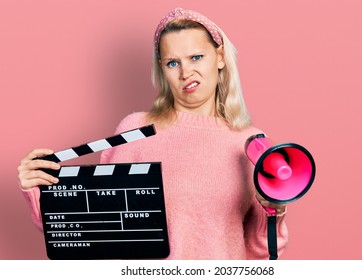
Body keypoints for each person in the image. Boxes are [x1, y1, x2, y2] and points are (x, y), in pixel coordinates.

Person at [17, 7, 288, 260]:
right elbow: (97, 230)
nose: (186, 72)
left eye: (196, 57)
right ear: (162, 68)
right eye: (173, 63)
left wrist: (273, 210)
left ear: (218, 57)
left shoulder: (251, 142)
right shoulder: (134, 131)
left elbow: (261, 249)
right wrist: (38, 190)